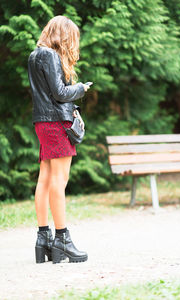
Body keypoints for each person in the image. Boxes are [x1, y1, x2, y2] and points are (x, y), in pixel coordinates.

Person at [27, 15, 90, 264]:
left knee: (44, 179)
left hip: (43, 122)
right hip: (56, 122)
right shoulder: (51, 55)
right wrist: (81, 88)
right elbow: (60, 92)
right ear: (62, 35)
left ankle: (44, 237)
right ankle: (62, 238)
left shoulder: (35, 55)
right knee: (59, 180)